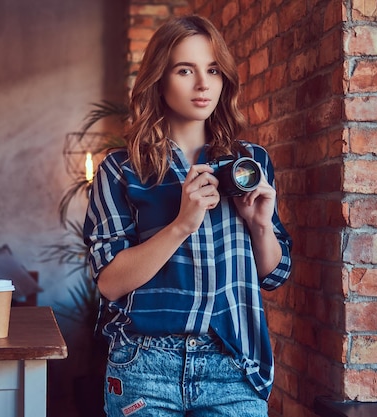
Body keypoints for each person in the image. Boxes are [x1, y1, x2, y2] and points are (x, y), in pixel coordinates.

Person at [83, 15, 292, 417]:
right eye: (185, 70)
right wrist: (182, 223)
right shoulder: (122, 169)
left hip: (233, 363)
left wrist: (260, 225)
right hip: (145, 366)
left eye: (213, 70)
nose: (203, 84)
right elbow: (110, 282)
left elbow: (273, 275)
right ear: (159, 80)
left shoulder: (249, 163)